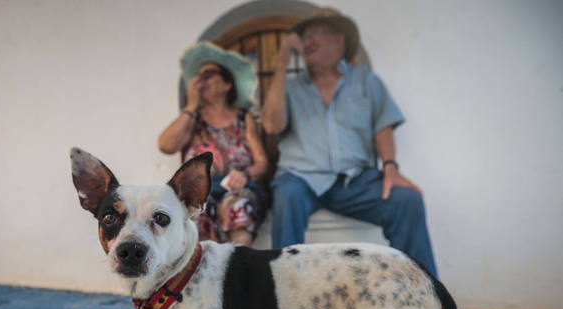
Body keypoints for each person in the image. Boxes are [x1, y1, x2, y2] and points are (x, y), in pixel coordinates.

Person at [262, 7, 438, 276]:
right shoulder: (291, 86)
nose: (307, 42)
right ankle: (285, 298)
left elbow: (383, 125)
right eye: (304, 36)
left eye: (315, 34)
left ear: (338, 40)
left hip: (356, 180)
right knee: (287, 196)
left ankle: (428, 295)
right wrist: (282, 63)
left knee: (407, 200)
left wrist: (391, 166)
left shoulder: (365, 80)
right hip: (302, 178)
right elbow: (271, 125)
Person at [159, 42, 268, 246]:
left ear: (227, 84)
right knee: (198, 211)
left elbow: (262, 163)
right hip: (201, 191)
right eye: (197, 76)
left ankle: (237, 270)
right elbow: (166, 146)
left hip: (239, 188)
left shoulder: (244, 119)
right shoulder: (193, 119)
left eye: (208, 75)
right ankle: (207, 273)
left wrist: (245, 174)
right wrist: (191, 105)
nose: (201, 81)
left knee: (238, 205)